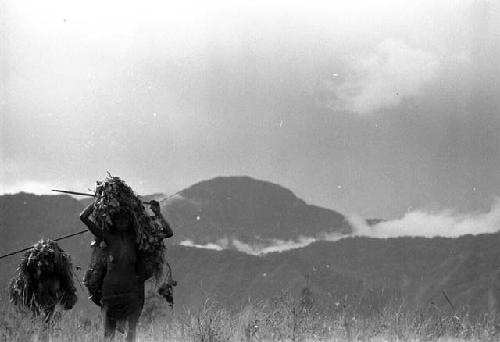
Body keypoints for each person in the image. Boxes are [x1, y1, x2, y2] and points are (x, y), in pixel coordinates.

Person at [80, 200, 172, 341]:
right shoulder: (108, 237)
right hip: (110, 294)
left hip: (132, 294)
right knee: (108, 335)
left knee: (131, 331)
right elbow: (83, 217)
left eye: (125, 220)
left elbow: (168, 233)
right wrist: (98, 200)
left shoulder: (137, 238)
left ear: (130, 222)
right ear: (114, 222)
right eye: (119, 220)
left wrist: (157, 213)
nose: (122, 223)